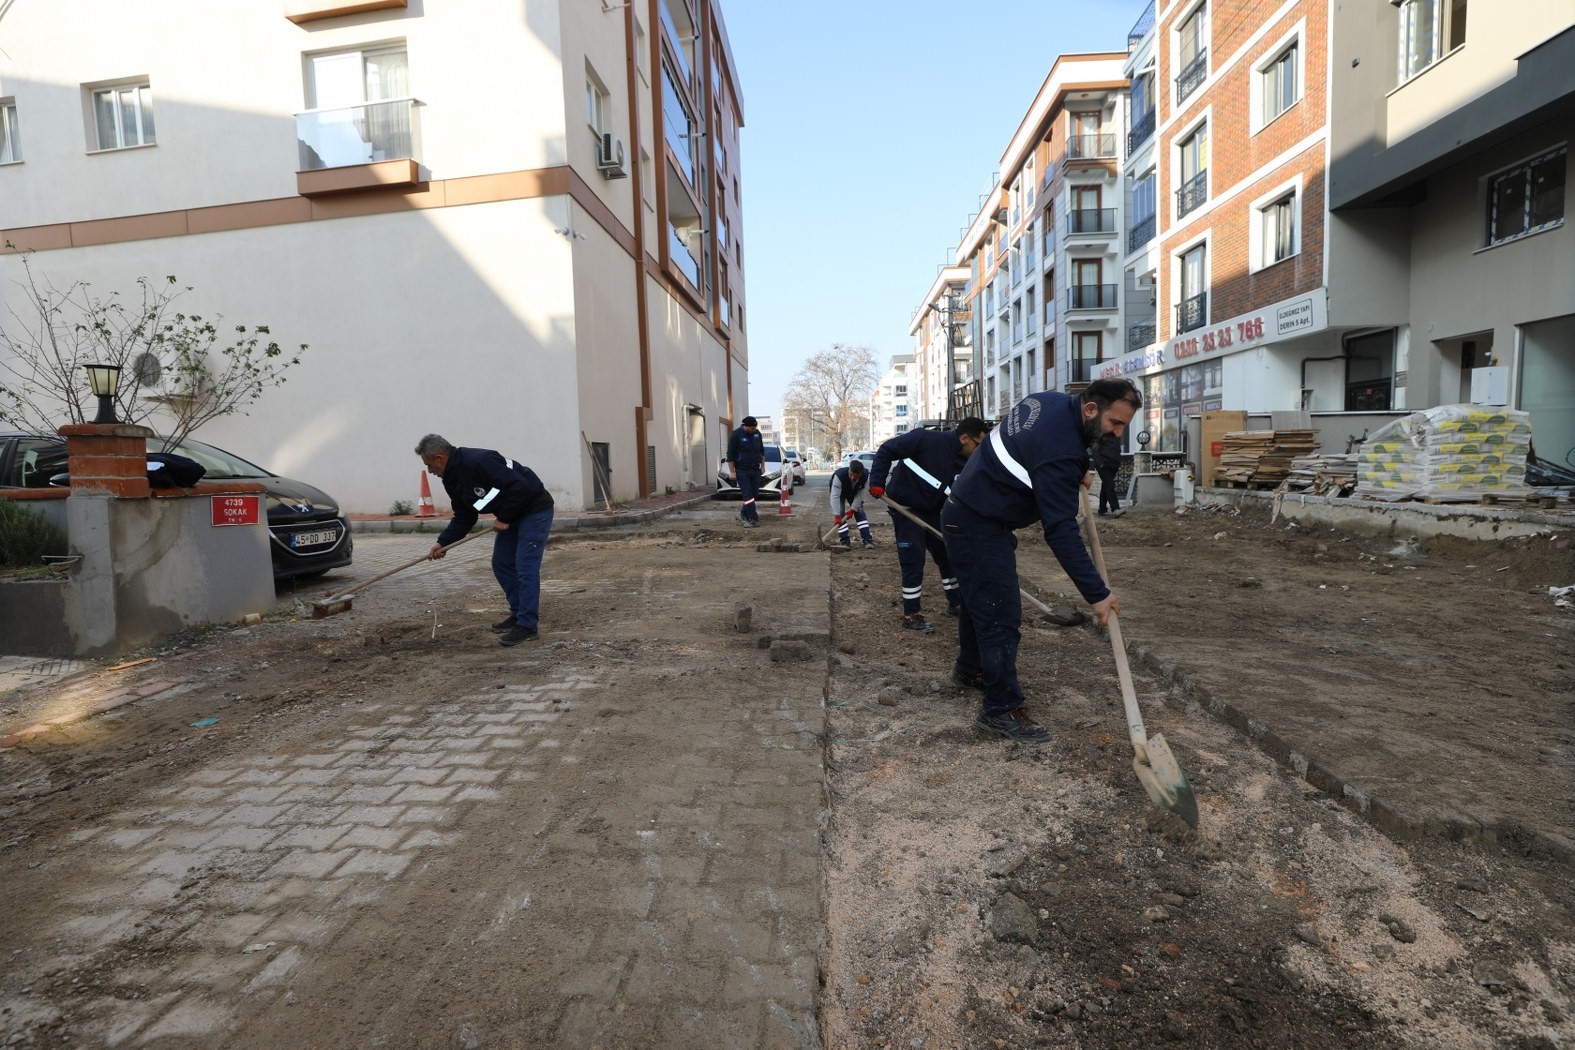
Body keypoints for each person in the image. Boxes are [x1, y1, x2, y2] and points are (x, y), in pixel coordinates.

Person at [941, 379, 1141, 742]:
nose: (1118, 434)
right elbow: (1060, 530)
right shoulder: (1060, 450)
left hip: (966, 512)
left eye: (1124, 425)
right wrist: (1096, 593)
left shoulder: (1048, 402)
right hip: (978, 523)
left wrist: (1076, 465)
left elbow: (1036, 448)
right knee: (1000, 614)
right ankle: (999, 710)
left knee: (978, 602)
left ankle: (971, 670)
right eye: (1116, 423)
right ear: (1091, 410)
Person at [415, 434, 555, 647]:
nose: (429, 471)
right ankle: (518, 614)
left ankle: (527, 625)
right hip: (511, 513)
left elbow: (520, 487)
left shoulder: (479, 461)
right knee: (501, 563)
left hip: (534, 509)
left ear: (440, 458)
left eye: (429, 464)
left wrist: (505, 517)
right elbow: (465, 516)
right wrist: (443, 543)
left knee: (525, 566)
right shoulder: (452, 479)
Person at [868, 418, 990, 633]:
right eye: (978, 444)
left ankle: (956, 603)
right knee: (913, 559)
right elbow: (886, 450)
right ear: (964, 438)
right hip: (905, 508)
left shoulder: (963, 460)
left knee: (947, 555)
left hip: (932, 511)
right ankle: (911, 614)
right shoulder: (924, 438)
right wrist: (877, 482)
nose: (978, 451)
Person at [726, 415, 765, 529]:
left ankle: (744, 514)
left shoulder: (757, 434)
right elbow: (730, 455)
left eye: (755, 428)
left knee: (754, 494)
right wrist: (732, 472)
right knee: (747, 494)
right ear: (745, 426)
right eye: (751, 428)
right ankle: (753, 518)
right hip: (742, 469)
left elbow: (761, 451)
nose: (754, 430)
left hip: (755, 469)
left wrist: (763, 466)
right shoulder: (736, 435)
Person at [828, 458, 874, 548]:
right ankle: (844, 541)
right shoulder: (839, 476)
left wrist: (853, 509)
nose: (853, 477)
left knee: (859, 511)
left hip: (854, 492)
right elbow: (835, 497)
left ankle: (867, 539)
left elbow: (860, 495)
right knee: (841, 514)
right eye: (851, 474)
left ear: (860, 474)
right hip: (839, 493)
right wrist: (836, 515)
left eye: (856, 476)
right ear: (849, 470)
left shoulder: (865, 476)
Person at [1094, 431, 1124, 516]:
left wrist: (1118, 461)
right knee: (1109, 485)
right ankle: (1115, 508)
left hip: (1114, 464)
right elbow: (1094, 449)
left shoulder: (1116, 434)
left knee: (1106, 486)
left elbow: (1117, 448)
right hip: (1104, 464)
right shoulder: (1100, 433)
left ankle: (1102, 509)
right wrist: (1100, 462)